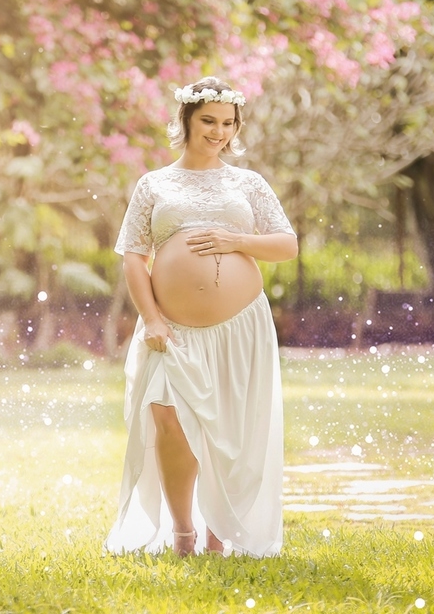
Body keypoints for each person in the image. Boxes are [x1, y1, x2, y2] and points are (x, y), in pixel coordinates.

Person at [105, 76, 298, 558]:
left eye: (228, 123)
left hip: (239, 327)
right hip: (170, 330)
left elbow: (287, 244)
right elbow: (133, 255)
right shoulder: (155, 184)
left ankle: (220, 533)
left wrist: (237, 242)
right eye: (208, 121)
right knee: (168, 418)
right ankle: (183, 532)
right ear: (186, 121)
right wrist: (151, 318)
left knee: (229, 430)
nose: (218, 132)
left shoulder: (248, 183)